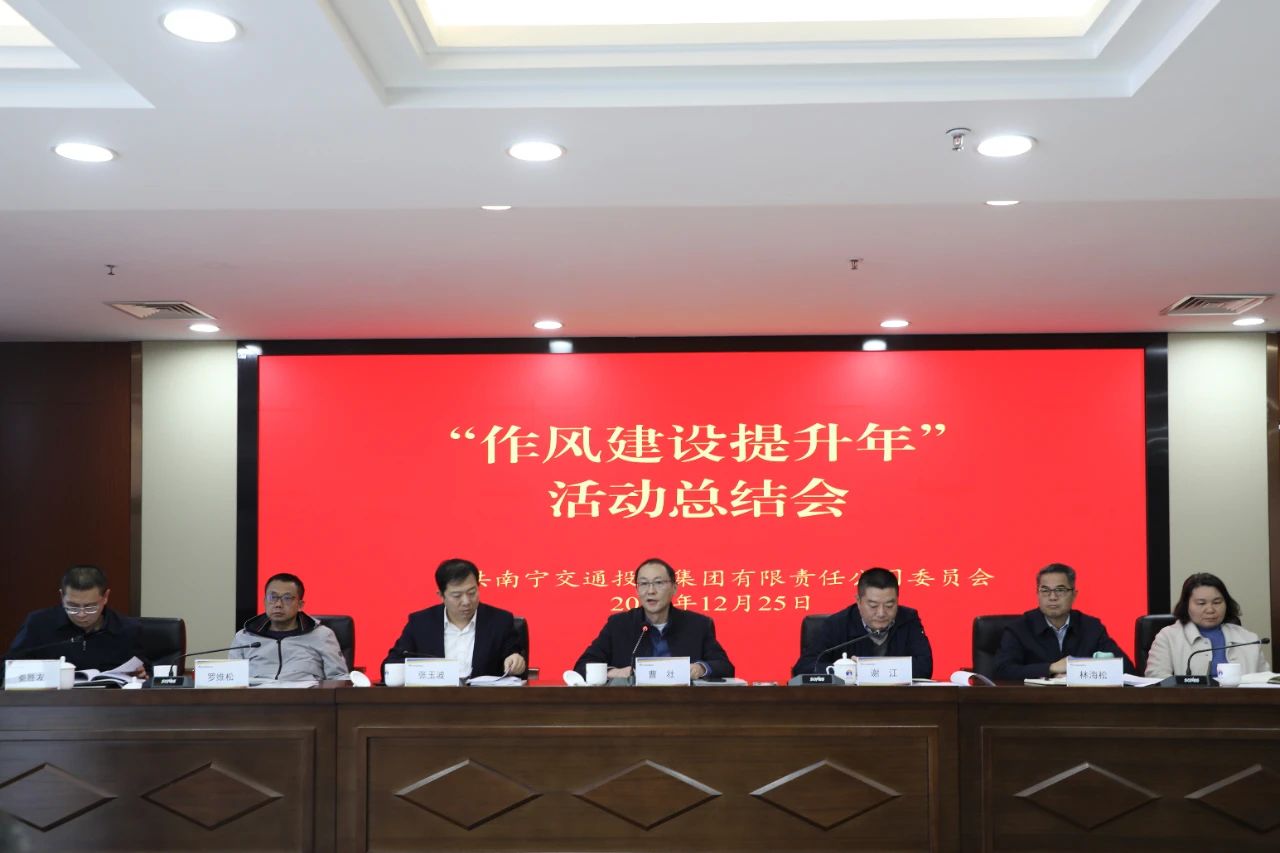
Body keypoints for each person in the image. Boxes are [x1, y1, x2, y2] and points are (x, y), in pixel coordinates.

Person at [574, 557, 734, 680]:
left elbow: (725, 666)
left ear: (674, 588)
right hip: (631, 705)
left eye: (658, 583)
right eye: (643, 584)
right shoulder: (619, 624)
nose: (651, 591)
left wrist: (701, 668)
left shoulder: (697, 625)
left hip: (683, 704)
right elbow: (582, 667)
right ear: (637, 590)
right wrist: (615, 673)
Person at [382, 558, 527, 680]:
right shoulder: (420, 623)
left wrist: (515, 661)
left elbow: (513, 656)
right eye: (457, 596)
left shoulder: (500, 621)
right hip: (433, 701)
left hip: (485, 702)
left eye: (472, 592)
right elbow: (390, 665)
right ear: (441, 595)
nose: (466, 601)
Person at [994, 562, 1134, 680]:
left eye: (1060, 590)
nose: (1052, 597)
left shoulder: (1091, 627)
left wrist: (1077, 669)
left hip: (1081, 700)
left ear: (1074, 595)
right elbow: (1001, 671)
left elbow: (1126, 668)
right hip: (1033, 702)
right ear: (1037, 594)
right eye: (1045, 590)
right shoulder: (1019, 628)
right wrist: (1051, 668)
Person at [792, 567, 933, 678]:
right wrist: (846, 670)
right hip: (848, 703)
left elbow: (924, 667)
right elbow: (803, 668)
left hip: (898, 701)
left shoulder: (908, 620)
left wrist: (866, 668)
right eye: (873, 606)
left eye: (889, 605)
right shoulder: (836, 625)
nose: (881, 613)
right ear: (858, 601)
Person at [5, 565, 147, 675]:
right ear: (62, 596)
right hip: (50, 702)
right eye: (72, 606)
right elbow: (7, 670)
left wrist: (142, 674)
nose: (81, 614)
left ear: (105, 597)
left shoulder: (127, 630)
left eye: (90, 607)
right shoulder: (38, 624)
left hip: (109, 702)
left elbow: (146, 674)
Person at [1144, 572, 1269, 678]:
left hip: (1243, 700)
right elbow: (1156, 680)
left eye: (1217, 602)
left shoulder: (1248, 639)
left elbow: (1266, 683)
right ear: (1186, 605)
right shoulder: (1167, 637)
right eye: (1201, 603)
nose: (1210, 610)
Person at [228, 572, 348, 681]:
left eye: (287, 598)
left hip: (305, 696)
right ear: (264, 601)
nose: (278, 604)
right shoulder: (244, 638)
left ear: (300, 605)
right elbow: (231, 679)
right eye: (272, 597)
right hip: (256, 697)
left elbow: (339, 678)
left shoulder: (322, 635)